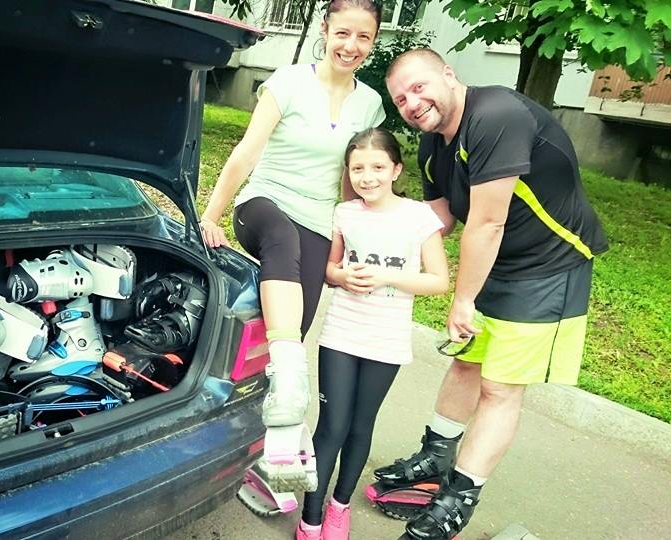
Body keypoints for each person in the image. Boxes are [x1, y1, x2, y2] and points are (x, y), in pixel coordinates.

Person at [376, 48, 609, 540]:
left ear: (448, 74)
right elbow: (440, 217)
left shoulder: (496, 116)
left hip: (548, 265)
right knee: (466, 363)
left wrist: (461, 300)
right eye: (400, 99)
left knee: (500, 387)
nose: (412, 103)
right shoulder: (434, 142)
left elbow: (487, 222)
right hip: (495, 261)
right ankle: (436, 457)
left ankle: (458, 499)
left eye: (418, 87)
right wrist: (379, 248)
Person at [199, 0, 386, 491]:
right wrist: (211, 214)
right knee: (282, 244)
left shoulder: (369, 104)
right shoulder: (288, 82)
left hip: (318, 221)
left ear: (374, 41)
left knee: (293, 324)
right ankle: (287, 379)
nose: (351, 46)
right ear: (325, 30)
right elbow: (247, 152)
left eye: (363, 37)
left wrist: (349, 244)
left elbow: (352, 180)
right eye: (343, 33)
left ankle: (272, 448)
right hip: (264, 205)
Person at [295, 128, 449, 540]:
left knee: (361, 426)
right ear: (348, 172)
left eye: (378, 167)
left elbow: (438, 280)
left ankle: (339, 508)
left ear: (396, 169)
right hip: (341, 333)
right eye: (358, 169)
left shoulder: (419, 217)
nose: (368, 177)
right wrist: (342, 276)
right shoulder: (345, 213)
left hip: (386, 339)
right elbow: (330, 269)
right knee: (331, 426)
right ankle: (311, 517)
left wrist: (386, 276)